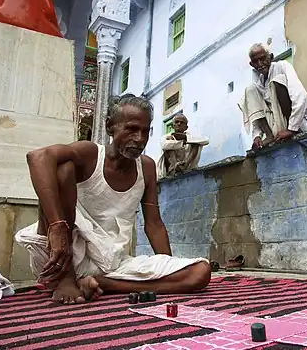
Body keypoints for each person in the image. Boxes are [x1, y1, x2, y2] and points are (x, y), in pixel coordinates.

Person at [15, 94, 211, 304]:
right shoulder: (91, 154)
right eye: (131, 129)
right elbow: (37, 157)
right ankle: (67, 280)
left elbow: (153, 224)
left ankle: (103, 283)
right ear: (110, 127)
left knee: (200, 272)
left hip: (112, 264)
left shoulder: (146, 167)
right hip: (61, 253)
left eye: (145, 131)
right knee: (63, 167)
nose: (139, 139)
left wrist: (167, 266)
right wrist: (57, 227)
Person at [238, 43, 307, 152]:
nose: (260, 64)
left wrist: (291, 129)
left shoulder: (282, 66)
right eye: (255, 61)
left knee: (277, 81)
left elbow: (300, 96)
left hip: (296, 123)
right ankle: (269, 136)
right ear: (251, 64)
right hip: (276, 128)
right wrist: (257, 136)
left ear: (271, 57)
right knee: (250, 90)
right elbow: (257, 113)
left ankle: (293, 130)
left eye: (262, 59)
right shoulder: (259, 83)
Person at [156, 114, 209, 179]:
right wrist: (182, 142)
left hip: (188, 167)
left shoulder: (190, 136)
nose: (179, 124)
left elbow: (206, 140)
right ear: (173, 126)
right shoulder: (166, 137)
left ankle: (184, 166)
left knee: (196, 143)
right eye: (176, 122)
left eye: (182, 122)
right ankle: (175, 167)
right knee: (169, 143)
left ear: (186, 127)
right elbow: (164, 145)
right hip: (171, 169)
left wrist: (185, 138)